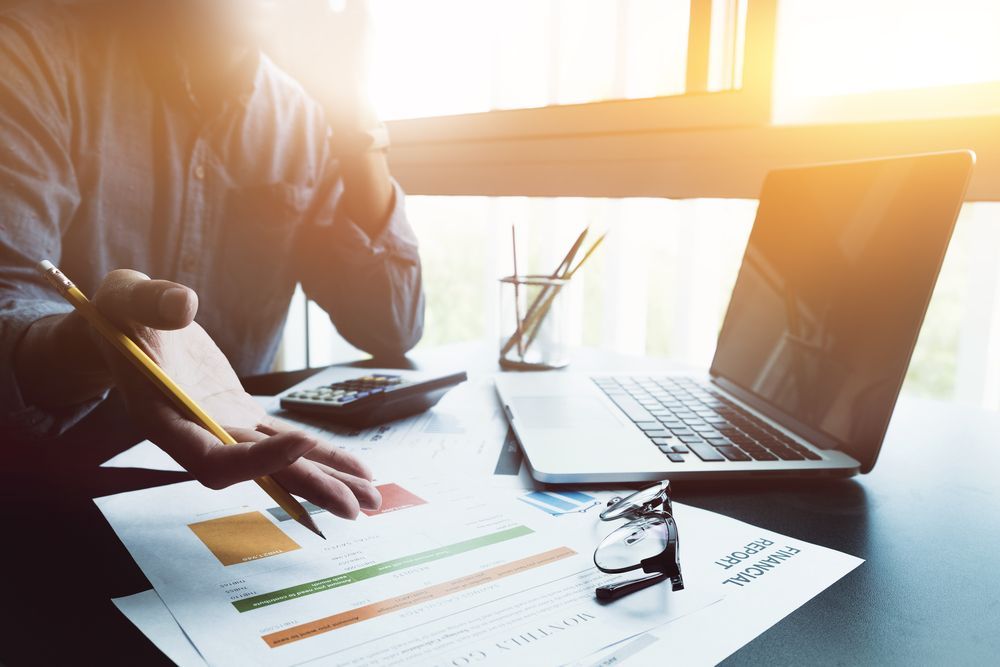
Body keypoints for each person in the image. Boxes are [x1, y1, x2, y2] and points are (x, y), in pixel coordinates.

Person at [0, 0, 426, 519]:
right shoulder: (32, 55)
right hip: (47, 487)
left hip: (243, 474)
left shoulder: (306, 115)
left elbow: (392, 324)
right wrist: (102, 344)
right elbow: (9, 296)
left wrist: (352, 110)